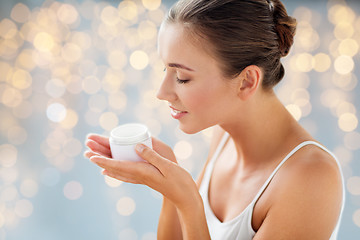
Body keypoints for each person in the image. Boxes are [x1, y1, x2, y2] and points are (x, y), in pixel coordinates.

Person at [84, 0, 345, 239]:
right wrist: (170, 187)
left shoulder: (311, 179)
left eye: (182, 78)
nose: (161, 93)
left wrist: (188, 200)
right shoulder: (224, 137)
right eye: (166, 69)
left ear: (247, 81)